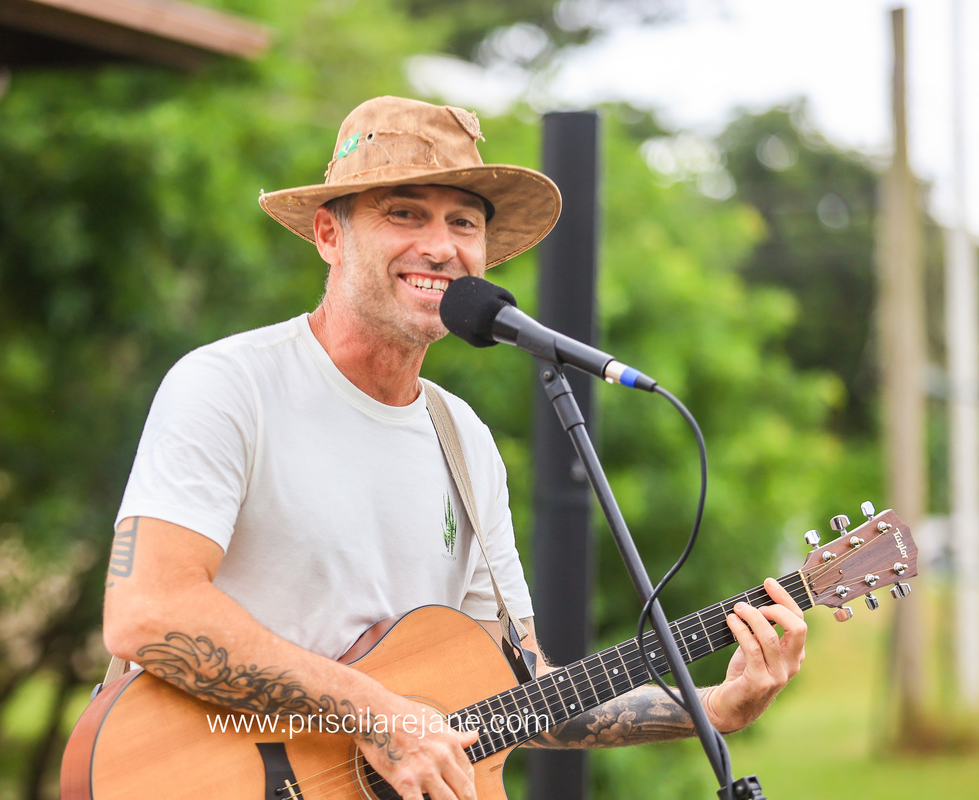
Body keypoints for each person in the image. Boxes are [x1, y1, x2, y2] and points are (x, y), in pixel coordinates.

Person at [102, 95, 806, 800]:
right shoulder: (231, 386)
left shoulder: (463, 441)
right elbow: (147, 610)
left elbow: (521, 689)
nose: (441, 247)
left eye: (463, 222)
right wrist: (376, 714)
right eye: (405, 213)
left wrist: (711, 708)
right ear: (328, 234)